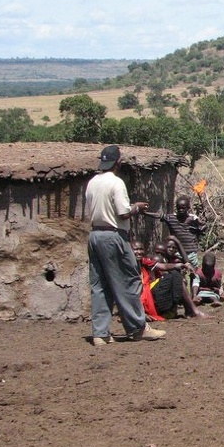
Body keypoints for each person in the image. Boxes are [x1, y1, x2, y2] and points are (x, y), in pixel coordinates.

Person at [84, 145, 165, 345]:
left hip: (95, 235)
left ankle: (100, 334)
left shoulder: (92, 183)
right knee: (129, 280)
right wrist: (135, 207)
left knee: (100, 284)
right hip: (113, 236)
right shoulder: (116, 183)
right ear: (118, 163)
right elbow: (122, 213)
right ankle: (137, 328)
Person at [145, 195, 206, 269]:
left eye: (183, 208)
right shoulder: (171, 218)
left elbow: (202, 230)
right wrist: (145, 213)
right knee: (177, 271)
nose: (180, 210)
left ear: (188, 208)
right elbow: (159, 215)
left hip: (191, 252)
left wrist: (201, 225)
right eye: (178, 208)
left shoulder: (193, 219)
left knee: (194, 273)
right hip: (177, 253)